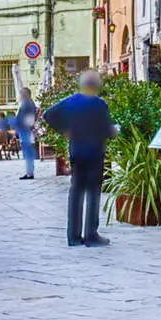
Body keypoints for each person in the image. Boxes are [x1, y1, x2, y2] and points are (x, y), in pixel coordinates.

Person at [43, 70, 118, 247]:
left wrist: (64, 130)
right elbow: (107, 130)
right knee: (93, 193)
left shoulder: (70, 101)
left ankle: (73, 236)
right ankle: (91, 235)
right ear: (97, 86)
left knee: (76, 191)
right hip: (95, 152)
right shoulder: (99, 105)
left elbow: (48, 115)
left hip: (76, 151)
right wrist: (114, 132)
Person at [15, 79, 41, 180]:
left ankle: (30, 173)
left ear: (25, 94)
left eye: (21, 94)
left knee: (27, 152)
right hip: (26, 130)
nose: (20, 96)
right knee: (28, 152)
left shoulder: (27, 104)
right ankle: (29, 172)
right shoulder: (30, 103)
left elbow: (27, 118)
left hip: (25, 130)